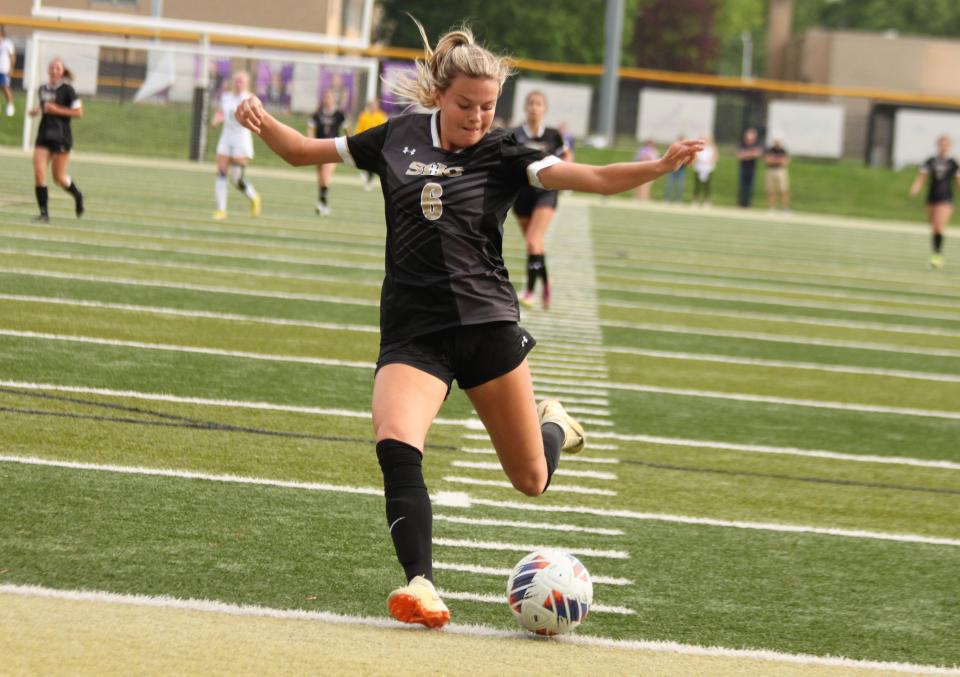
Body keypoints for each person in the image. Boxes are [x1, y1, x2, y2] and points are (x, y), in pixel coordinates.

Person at [234, 19, 701, 630]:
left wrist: (658, 167)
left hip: (486, 328)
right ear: (437, 96)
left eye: (487, 107)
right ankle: (421, 585)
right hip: (413, 332)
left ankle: (554, 424)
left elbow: (592, 180)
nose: (478, 117)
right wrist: (261, 120)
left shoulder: (504, 151)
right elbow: (301, 152)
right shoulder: (393, 137)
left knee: (531, 479)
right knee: (396, 445)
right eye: (466, 105)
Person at [511, 90, 572, 310]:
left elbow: (567, 156)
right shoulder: (515, 134)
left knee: (533, 241)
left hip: (546, 192)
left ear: (544, 109)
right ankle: (547, 283)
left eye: (538, 104)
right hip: (522, 193)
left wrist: (567, 176)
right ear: (525, 107)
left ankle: (529, 290)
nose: (534, 107)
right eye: (531, 103)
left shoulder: (553, 134)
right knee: (534, 244)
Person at [28, 57, 84, 222]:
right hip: (44, 135)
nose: (54, 70)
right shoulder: (42, 88)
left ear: (62, 71)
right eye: (52, 67)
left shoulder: (68, 90)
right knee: (39, 174)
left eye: (57, 68)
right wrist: (37, 110)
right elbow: (45, 106)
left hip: (61, 137)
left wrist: (56, 109)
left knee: (59, 178)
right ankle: (44, 213)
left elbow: (79, 112)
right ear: (48, 70)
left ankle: (78, 195)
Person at [211, 71, 261, 220]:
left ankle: (254, 197)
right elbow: (221, 112)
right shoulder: (226, 97)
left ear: (247, 84)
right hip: (226, 138)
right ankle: (221, 210)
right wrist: (216, 120)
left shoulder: (250, 99)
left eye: (242, 81)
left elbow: (257, 118)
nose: (238, 84)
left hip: (241, 140)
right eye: (237, 81)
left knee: (236, 179)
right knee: (221, 172)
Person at [910, 135, 960, 269]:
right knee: (934, 228)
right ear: (938, 145)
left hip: (946, 198)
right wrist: (916, 187)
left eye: (946, 144)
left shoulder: (953, 163)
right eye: (941, 144)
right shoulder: (931, 160)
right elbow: (922, 176)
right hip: (932, 197)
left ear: (949, 146)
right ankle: (936, 253)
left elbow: (957, 181)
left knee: (939, 226)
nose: (943, 146)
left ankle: (937, 255)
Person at [308, 90, 347, 216]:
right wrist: (310, 144)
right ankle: (323, 203)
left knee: (325, 175)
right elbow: (310, 130)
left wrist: (351, 144)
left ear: (333, 99)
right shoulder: (317, 114)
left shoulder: (339, 114)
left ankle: (321, 204)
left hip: (333, 148)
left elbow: (346, 130)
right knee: (321, 179)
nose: (328, 99)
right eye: (326, 97)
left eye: (330, 97)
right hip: (318, 148)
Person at [353, 98, 388, 191]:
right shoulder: (363, 116)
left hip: (377, 142)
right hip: (365, 141)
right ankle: (364, 173)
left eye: (374, 105)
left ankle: (368, 180)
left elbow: (385, 129)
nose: (373, 107)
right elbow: (359, 128)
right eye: (371, 105)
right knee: (362, 158)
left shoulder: (381, 115)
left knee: (374, 161)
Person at [736, 127, 763, 207]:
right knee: (742, 186)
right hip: (743, 167)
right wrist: (751, 154)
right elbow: (740, 155)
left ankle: (748, 203)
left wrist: (747, 154)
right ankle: (741, 203)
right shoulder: (742, 144)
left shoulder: (757, 144)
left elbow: (758, 153)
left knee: (750, 186)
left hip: (752, 168)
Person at [765, 137, 790, 211]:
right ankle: (771, 207)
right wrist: (779, 160)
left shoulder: (783, 151)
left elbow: (785, 162)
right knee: (771, 189)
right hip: (771, 170)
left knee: (784, 189)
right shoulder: (770, 150)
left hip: (781, 171)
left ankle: (785, 208)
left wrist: (774, 160)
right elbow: (768, 160)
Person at [692, 135, 718, 207]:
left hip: (708, 169)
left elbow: (714, 157)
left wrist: (708, 161)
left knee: (707, 186)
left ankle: (707, 201)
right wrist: (701, 161)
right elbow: (695, 157)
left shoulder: (712, 148)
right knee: (697, 185)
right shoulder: (698, 148)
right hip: (699, 168)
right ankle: (695, 200)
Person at [663, 135, 687, 204]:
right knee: (669, 184)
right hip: (672, 169)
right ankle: (666, 199)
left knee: (680, 185)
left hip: (681, 169)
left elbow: (686, 160)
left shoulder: (686, 149)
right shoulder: (674, 148)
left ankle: (678, 200)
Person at [0, 25, 15, 117]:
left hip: (4, 69)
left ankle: (10, 105)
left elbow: (12, 56)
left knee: (5, 87)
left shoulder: (7, 43)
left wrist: (11, 68)